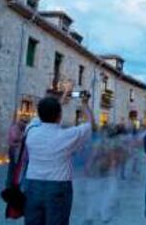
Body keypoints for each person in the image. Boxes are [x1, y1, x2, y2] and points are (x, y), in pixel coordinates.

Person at [24, 95, 94, 225]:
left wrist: (58, 102)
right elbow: (90, 124)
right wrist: (85, 104)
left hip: (33, 184)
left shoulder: (30, 131)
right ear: (59, 115)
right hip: (58, 186)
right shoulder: (67, 135)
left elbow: (37, 118)